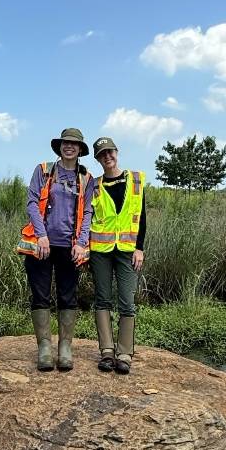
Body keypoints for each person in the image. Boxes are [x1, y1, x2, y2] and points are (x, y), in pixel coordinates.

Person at [18, 128, 94, 372]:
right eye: (65, 143)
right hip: (42, 245)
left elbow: (88, 212)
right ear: (59, 146)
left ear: (80, 149)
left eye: (74, 144)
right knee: (40, 295)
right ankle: (44, 348)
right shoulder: (43, 170)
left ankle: (65, 348)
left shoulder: (86, 178)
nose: (69, 147)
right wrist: (41, 236)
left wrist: (82, 243)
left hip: (70, 247)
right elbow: (32, 203)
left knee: (67, 296)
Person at [89, 136, 146, 375]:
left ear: (116, 152)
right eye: (102, 154)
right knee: (102, 299)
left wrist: (140, 248)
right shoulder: (94, 185)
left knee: (127, 301)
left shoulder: (135, 180)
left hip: (127, 251)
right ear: (98, 159)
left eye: (110, 152)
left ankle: (124, 353)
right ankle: (107, 352)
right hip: (100, 251)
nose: (107, 157)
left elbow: (141, 217)